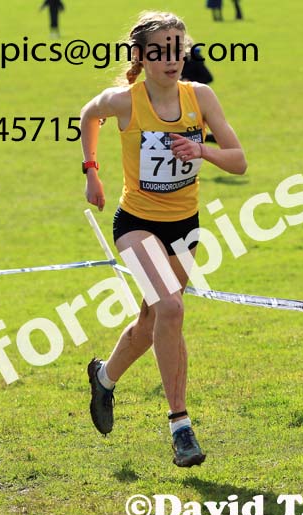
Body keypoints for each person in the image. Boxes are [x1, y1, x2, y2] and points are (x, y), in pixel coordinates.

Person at [80, 11, 246, 467]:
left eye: (178, 48)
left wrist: (203, 150)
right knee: (173, 309)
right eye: (160, 50)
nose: (171, 59)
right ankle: (181, 426)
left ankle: (105, 379)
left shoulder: (201, 97)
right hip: (135, 223)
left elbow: (239, 161)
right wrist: (91, 172)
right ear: (141, 56)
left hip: (185, 226)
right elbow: (88, 115)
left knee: (154, 322)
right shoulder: (125, 102)